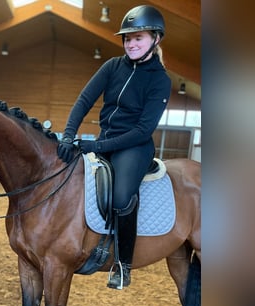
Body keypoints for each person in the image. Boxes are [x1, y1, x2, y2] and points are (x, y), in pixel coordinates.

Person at [57, 5, 171, 290]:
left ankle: (123, 264)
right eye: (127, 38)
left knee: (121, 198)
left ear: (155, 39)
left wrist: (98, 145)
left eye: (138, 38)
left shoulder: (160, 80)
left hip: (134, 147)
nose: (130, 44)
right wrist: (68, 136)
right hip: (104, 139)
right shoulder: (112, 66)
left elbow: (143, 130)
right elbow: (84, 101)